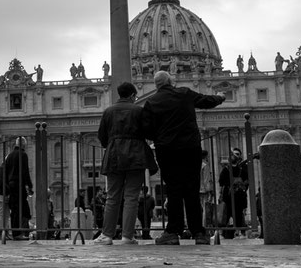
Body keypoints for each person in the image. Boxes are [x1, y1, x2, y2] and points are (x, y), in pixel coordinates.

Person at [141, 70, 224, 246]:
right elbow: (206, 101)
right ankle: (199, 233)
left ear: (156, 85)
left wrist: (159, 136)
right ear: (171, 81)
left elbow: (145, 129)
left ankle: (173, 231)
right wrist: (220, 97)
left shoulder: (152, 101)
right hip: (190, 149)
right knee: (192, 190)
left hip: (167, 150)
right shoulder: (184, 93)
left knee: (173, 191)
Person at [92, 82, 149, 246]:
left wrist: (111, 144)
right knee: (132, 198)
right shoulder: (139, 110)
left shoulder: (108, 111)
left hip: (114, 155)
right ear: (132, 95)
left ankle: (107, 235)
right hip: (136, 155)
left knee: (112, 197)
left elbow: (102, 136)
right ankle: (127, 236)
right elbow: (147, 131)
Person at [0, 137, 33, 239]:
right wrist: (30, 186)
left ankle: (16, 232)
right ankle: (18, 233)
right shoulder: (23, 155)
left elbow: (5, 172)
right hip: (19, 185)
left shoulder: (9, 156)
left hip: (10, 186)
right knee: (21, 209)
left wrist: (6, 186)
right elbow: (25, 172)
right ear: (24, 145)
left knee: (15, 210)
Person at [218, 148, 249, 239]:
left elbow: (247, 181)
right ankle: (221, 233)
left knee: (239, 214)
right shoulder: (226, 169)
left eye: (237, 154)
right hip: (228, 196)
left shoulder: (242, 169)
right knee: (225, 214)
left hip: (239, 197)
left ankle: (240, 233)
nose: (234, 156)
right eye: (233, 154)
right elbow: (221, 182)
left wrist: (242, 187)